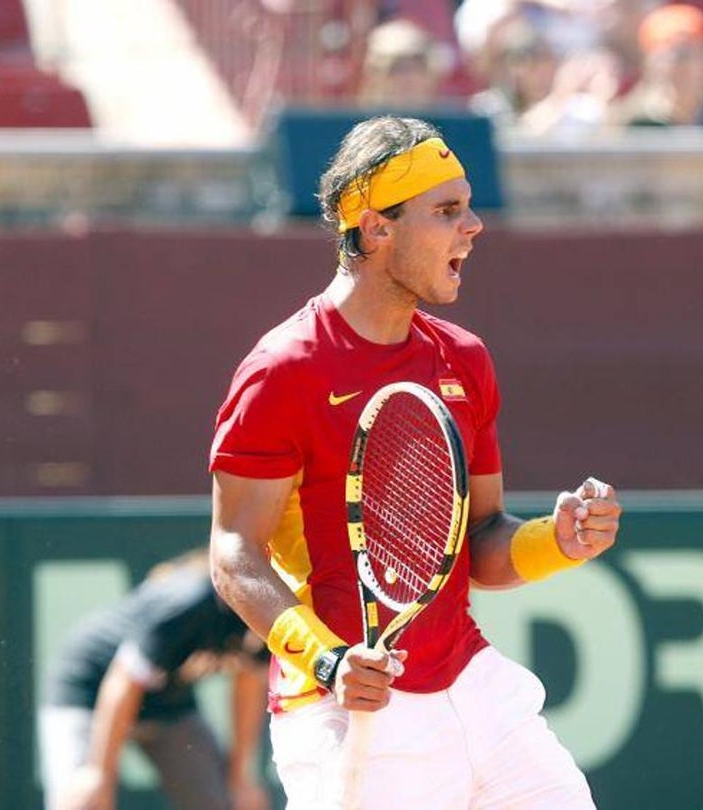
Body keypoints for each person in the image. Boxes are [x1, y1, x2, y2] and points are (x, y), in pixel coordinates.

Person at [208, 115, 622, 809]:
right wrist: (330, 660)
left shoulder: (464, 357)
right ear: (376, 229)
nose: (474, 227)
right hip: (345, 707)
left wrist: (560, 540)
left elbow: (483, 544)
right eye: (447, 211)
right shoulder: (283, 369)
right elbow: (233, 556)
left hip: (470, 684)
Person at [38, 549, 272, 810]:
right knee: (83, 799)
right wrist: (99, 772)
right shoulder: (190, 599)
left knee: (226, 802)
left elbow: (249, 682)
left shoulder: (264, 607)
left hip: (167, 702)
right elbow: (124, 680)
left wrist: (239, 777)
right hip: (90, 690)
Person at [610, 3, 703, 127]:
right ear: (651, 62)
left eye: (698, 54)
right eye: (677, 56)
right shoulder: (633, 121)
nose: (688, 67)